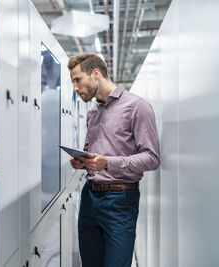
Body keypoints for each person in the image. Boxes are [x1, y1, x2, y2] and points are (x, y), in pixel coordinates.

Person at [68, 54, 160, 267]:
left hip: (120, 200)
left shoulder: (137, 106)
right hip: (89, 197)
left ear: (96, 74)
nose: (75, 87)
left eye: (77, 79)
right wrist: (82, 162)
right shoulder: (93, 113)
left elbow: (152, 157)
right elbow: (92, 153)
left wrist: (108, 162)